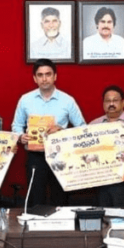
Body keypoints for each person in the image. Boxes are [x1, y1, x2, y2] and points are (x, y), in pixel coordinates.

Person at [13, 59, 86, 207]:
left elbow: (82, 129)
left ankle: (61, 229)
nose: (44, 78)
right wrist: (21, 136)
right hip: (35, 157)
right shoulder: (25, 100)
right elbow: (16, 125)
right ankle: (34, 227)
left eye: (48, 74)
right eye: (40, 75)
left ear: (55, 76)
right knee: (35, 198)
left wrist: (62, 131)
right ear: (34, 78)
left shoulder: (67, 101)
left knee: (60, 198)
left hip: (60, 156)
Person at [89, 85, 124, 207]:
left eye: (115, 100)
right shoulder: (94, 124)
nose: (111, 104)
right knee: (104, 213)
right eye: (108, 101)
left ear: (123, 103)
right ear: (103, 103)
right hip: (101, 179)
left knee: (122, 215)